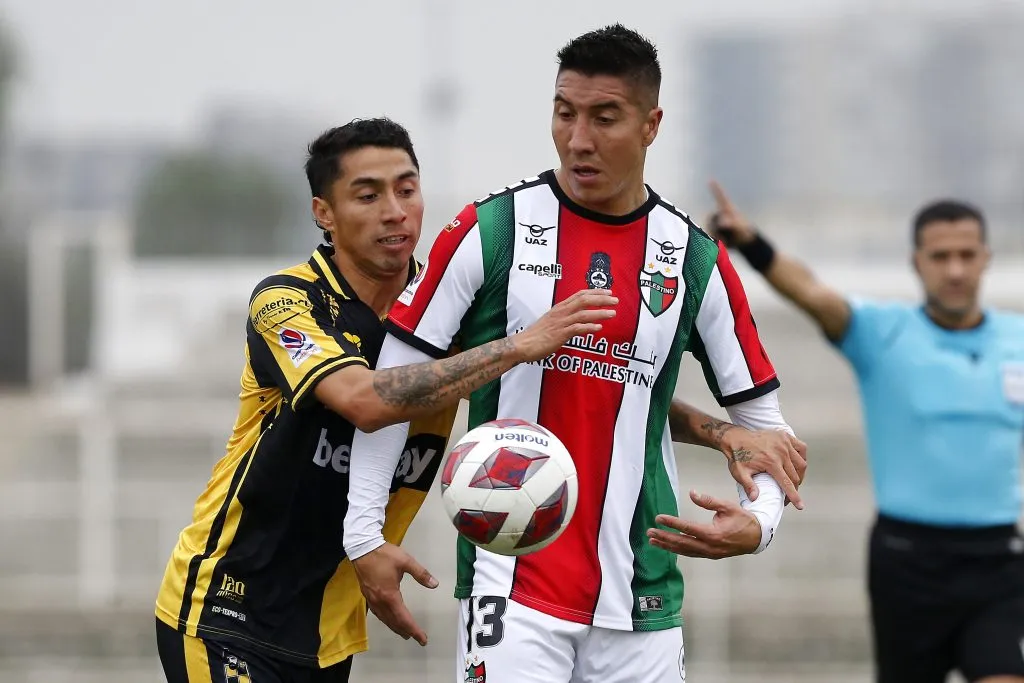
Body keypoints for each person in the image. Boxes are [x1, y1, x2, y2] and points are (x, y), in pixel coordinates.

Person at [152, 117, 803, 683]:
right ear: (324, 212)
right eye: (367, 194)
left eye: (407, 189)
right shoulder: (288, 302)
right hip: (226, 605)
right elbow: (367, 399)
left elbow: (602, 381)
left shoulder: (446, 317)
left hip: (326, 625)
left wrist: (725, 433)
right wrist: (520, 346)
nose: (395, 211)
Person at [343, 25, 804, 683]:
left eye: (604, 118)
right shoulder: (489, 231)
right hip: (511, 584)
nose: (578, 138)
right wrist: (364, 536)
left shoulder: (693, 259)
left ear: (651, 124)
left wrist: (757, 524)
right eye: (565, 113)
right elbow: (392, 384)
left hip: (644, 597)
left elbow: (767, 430)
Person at [708, 181, 1024, 683]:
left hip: (998, 561)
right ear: (917, 262)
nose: (956, 269)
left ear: (985, 258)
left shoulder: (1017, 339)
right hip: (907, 560)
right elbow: (810, 290)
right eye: (941, 256)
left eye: (967, 255)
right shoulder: (881, 333)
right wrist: (749, 243)